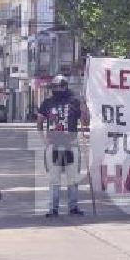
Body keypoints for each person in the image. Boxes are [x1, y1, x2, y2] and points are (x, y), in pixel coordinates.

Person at [38, 75, 88, 217]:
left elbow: (85, 122)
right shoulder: (47, 103)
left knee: (73, 179)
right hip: (53, 146)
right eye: (53, 87)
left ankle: (73, 207)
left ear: (65, 86)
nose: (55, 90)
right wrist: (43, 139)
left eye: (58, 86)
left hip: (71, 145)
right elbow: (40, 121)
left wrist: (84, 108)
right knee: (54, 179)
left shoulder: (75, 101)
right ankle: (53, 208)